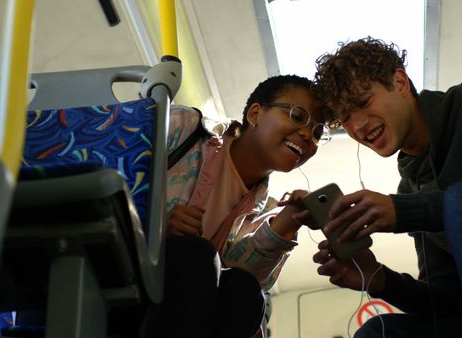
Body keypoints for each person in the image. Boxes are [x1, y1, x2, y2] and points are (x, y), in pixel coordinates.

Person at [308, 37, 462, 338]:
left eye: (363, 103)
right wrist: (378, 278)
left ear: (400, 82)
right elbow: (449, 302)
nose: (358, 127)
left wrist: (407, 212)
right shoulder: (409, 191)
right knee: (378, 333)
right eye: (345, 119)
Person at [141, 74, 331, 338]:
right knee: (198, 255)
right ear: (255, 113)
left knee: (247, 292)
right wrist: (156, 223)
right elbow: (108, 171)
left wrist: (289, 221)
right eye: (298, 116)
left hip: (173, 312)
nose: (309, 135)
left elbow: (243, 287)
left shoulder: (264, 212)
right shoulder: (182, 127)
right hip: (123, 270)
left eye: (319, 132)